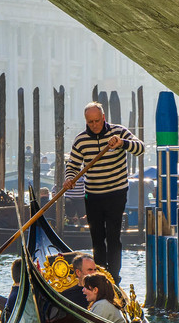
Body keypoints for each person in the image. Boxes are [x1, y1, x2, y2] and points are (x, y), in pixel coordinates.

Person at [58, 102, 143, 282]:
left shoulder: (118, 132)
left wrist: (122, 143)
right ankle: (100, 276)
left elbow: (140, 148)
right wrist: (70, 179)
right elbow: (72, 166)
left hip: (116, 193)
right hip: (93, 195)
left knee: (113, 237)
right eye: (90, 122)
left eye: (97, 121)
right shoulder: (81, 140)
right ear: (86, 121)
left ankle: (113, 277)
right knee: (97, 238)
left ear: (103, 118)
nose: (94, 125)